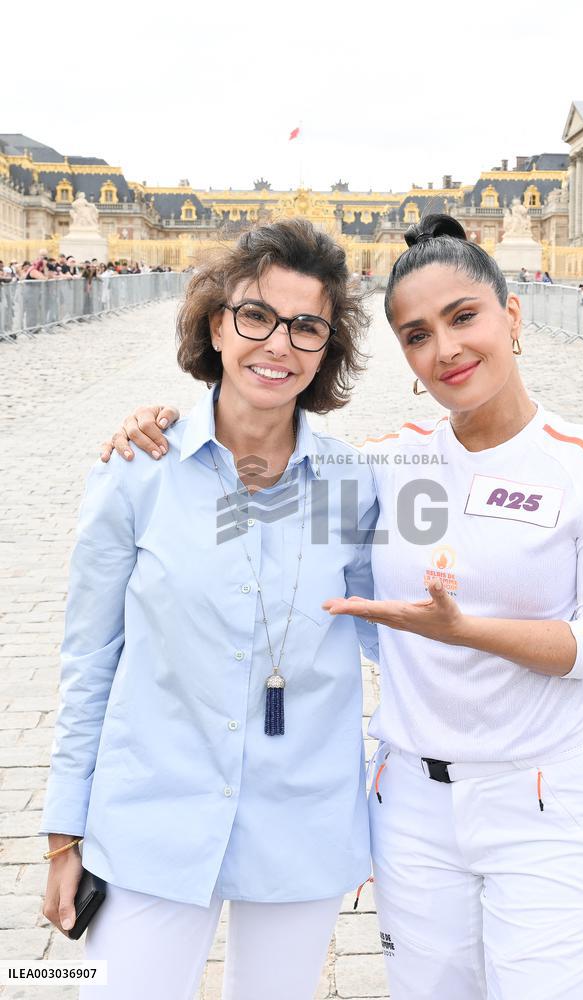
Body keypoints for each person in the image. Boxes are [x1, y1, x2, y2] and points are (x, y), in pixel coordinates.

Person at [111, 215, 583, 1000]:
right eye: (417, 334)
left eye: (464, 317)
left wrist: (468, 633)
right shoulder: (395, 464)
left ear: (513, 316)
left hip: (541, 801)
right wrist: (167, 429)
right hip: (411, 809)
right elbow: (266, 534)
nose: (446, 350)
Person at [41, 219, 378, 1000]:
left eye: (307, 327)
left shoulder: (357, 486)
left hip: (301, 820)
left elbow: (392, 638)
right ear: (217, 325)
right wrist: (63, 835)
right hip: (151, 816)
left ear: (327, 349)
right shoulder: (137, 472)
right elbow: (89, 660)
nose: (278, 344)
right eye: (256, 315)